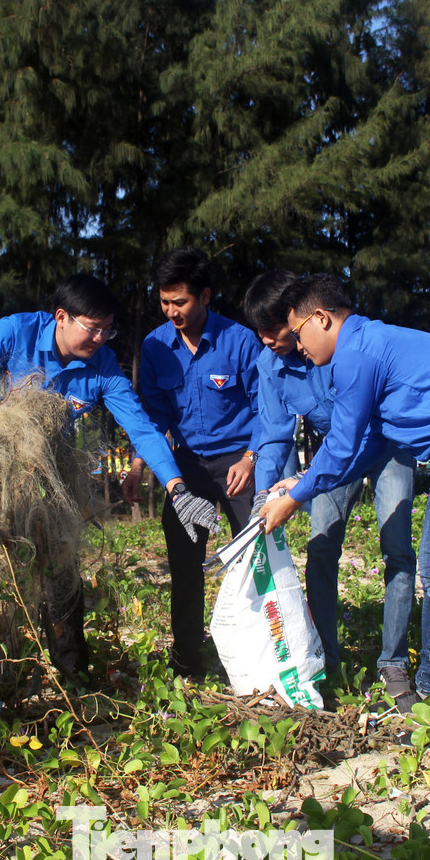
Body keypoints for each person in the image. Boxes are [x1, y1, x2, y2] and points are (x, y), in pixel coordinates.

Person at [260, 275, 430, 745]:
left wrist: (294, 500)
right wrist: (302, 481)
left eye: (298, 332)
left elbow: (343, 443)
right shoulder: (370, 343)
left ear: (321, 318)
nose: (298, 346)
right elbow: (367, 442)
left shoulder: (357, 353)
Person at [0, 274, 222, 680]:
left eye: (108, 330)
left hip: (51, 476)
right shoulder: (17, 332)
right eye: (93, 328)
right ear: (62, 317)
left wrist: (178, 490)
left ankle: (73, 673)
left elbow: (142, 429)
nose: (100, 339)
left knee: (61, 569)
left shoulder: (102, 364)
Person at [242, 270, 416, 706]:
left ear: (297, 317)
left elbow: (364, 418)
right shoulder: (270, 365)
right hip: (334, 456)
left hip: (387, 446)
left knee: (397, 549)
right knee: (321, 549)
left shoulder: (342, 344)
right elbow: (274, 435)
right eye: (259, 332)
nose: (267, 340)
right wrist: (264, 496)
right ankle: (325, 660)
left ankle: (393, 661)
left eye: (274, 329)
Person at [122, 248, 263, 678]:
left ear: (204, 295)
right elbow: (154, 416)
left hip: (239, 464)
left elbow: (266, 409)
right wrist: (139, 463)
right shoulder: (155, 346)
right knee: (185, 565)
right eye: (165, 302)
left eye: (180, 302)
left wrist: (251, 458)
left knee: (254, 559)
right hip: (186, 467)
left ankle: (258, 652)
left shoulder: (240, 341)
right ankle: (188, 657)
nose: (172, 312)